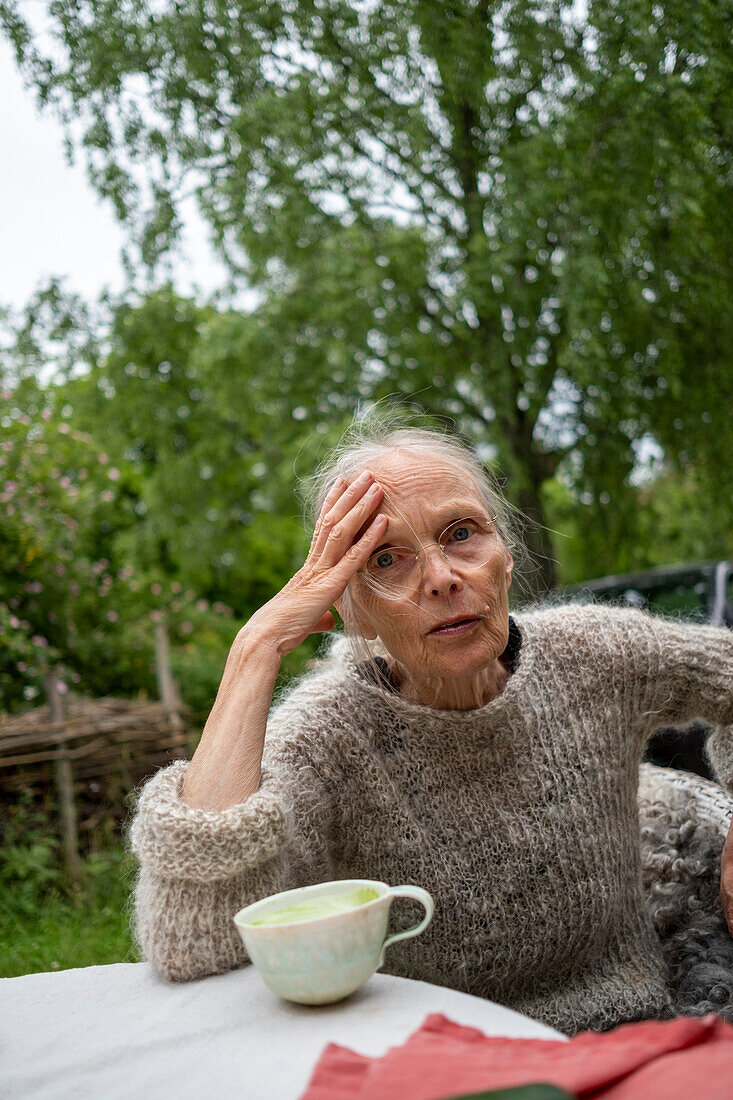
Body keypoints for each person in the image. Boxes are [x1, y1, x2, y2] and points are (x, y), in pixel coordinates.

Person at [129, 416, 733, 1034]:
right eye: (386, 559)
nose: (443, 577)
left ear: (506, 555)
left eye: (462, 533)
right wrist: (256, 648)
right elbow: (190, 941)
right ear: (351, 609)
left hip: (641, 1037)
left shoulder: (595, 654)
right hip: (448, 1066)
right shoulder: (328, 737)